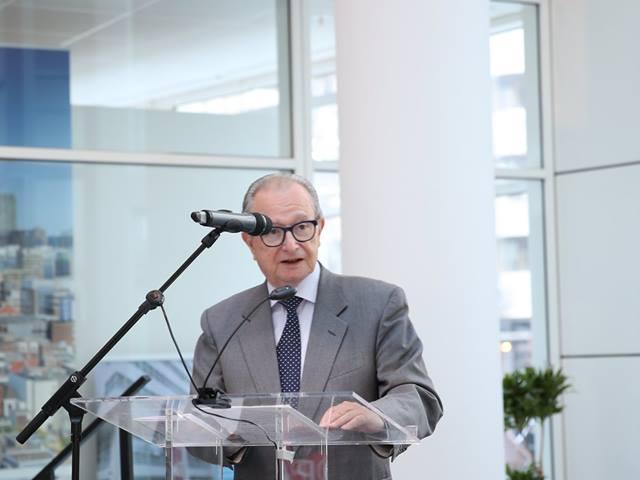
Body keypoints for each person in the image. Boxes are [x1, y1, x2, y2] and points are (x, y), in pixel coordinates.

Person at [190, 173, 442, 479]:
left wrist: (376, 416)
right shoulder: (221, 321)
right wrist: (225, 434)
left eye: (302, 227)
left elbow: (418, 397)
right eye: (272, 232)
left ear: (319, 228)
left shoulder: (378, 303)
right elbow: (197, 421)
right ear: (249, 240)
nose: (290, 244)